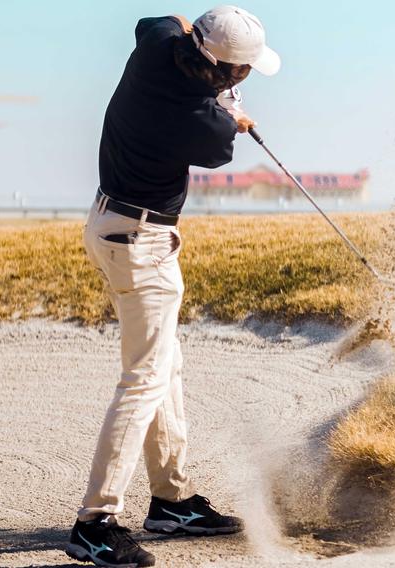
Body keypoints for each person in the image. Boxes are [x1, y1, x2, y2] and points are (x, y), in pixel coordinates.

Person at [65, 6, 280, 567]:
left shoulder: (157, 44)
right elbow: (216, 142)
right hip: (140, 243)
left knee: (165, 366)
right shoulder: (204, 128)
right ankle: (94, 523)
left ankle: (170, 501)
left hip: (112, 224)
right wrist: (231, 111)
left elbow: (164, 19)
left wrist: (220, 90)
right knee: (144, 378)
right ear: (228, 73)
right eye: (245, 71)